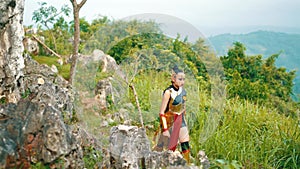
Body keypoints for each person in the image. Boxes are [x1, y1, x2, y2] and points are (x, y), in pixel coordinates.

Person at [153, 65, 190, 164]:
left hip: (180, 120)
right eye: (180, 79)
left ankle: (187, 164)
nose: (182, 82)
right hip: (169, 121)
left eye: (184, 79)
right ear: (173, 78)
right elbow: (162, 112)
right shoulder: (168, 92)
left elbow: (183, 105)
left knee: (185, 143)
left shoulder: (184, 91)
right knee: (166, 148)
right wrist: (165, 129)